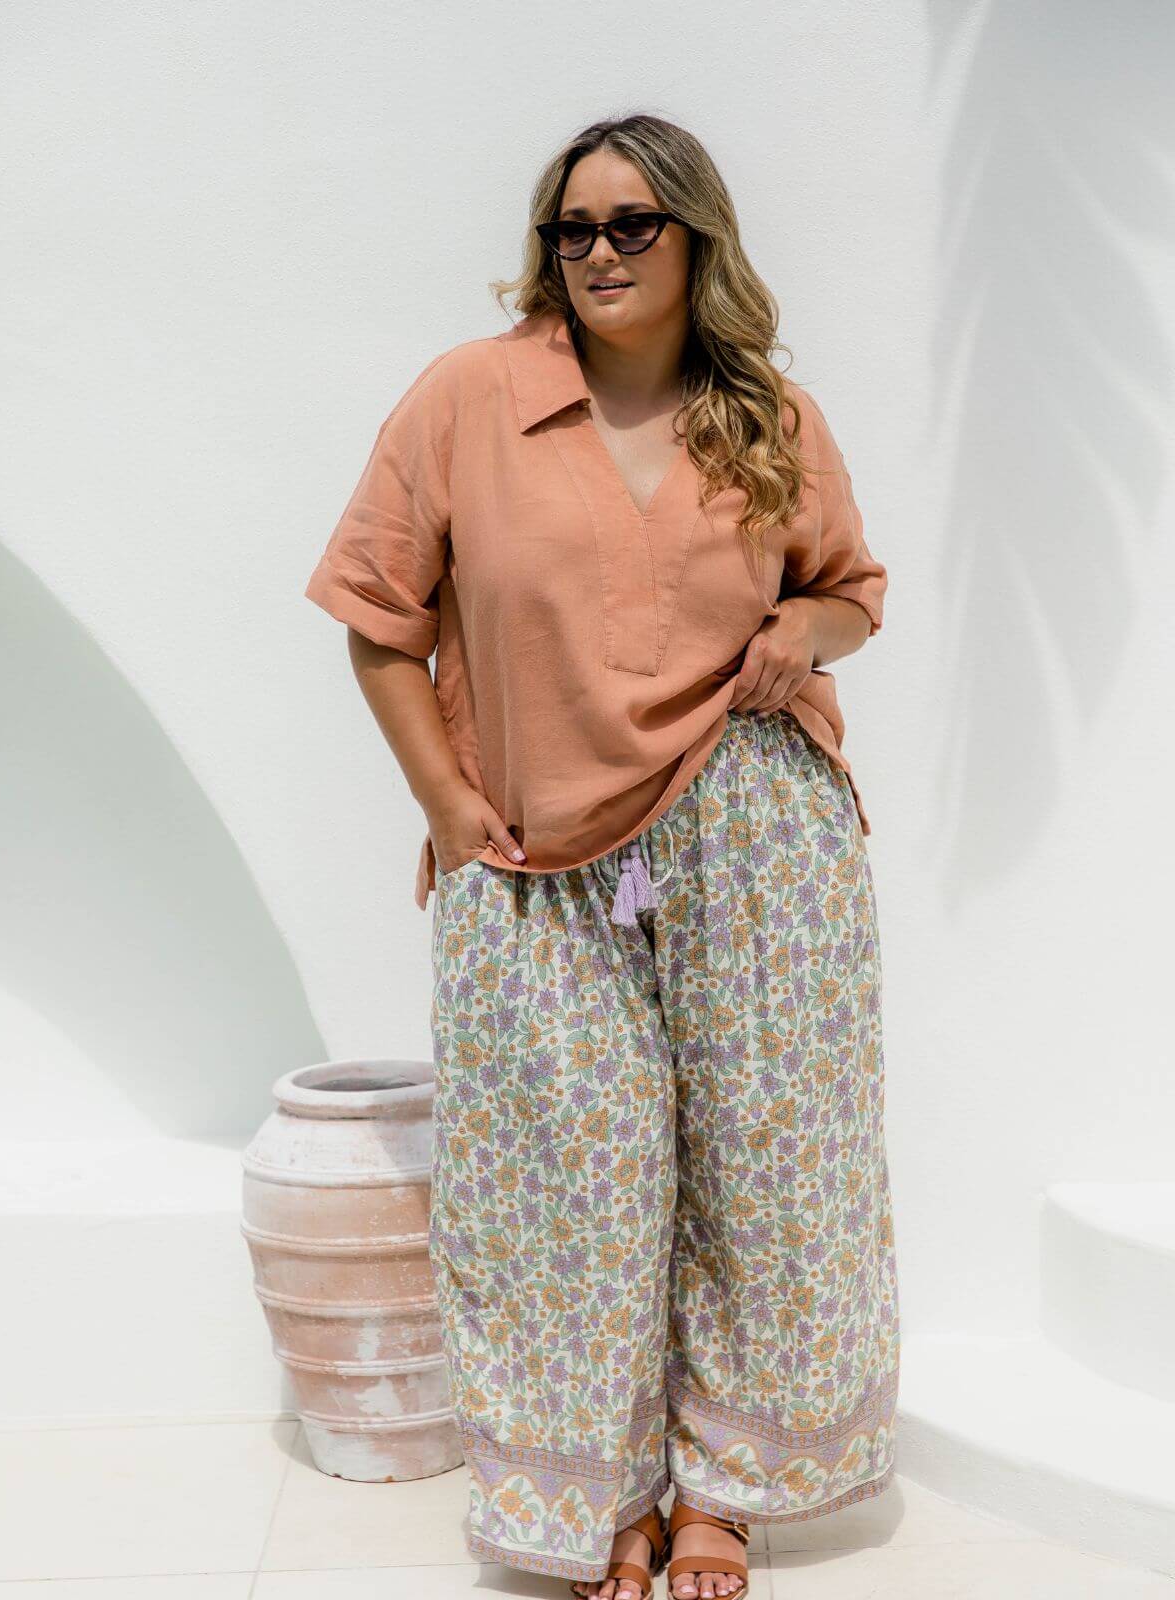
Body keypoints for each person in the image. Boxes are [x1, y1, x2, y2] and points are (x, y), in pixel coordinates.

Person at [305, 113, 899, 1600]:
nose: (601, 254)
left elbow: (853, 594)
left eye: (636, 225)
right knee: (565, 1186)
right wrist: (448, 804)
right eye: (574, 228)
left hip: (755, 836)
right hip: (542, 856)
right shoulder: (466, 401)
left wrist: (794, 635)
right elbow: (381, 619)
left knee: (772, 1174)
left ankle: (729, 1494)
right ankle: (599, 1500)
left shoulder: (770, 413)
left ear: (699, 240)